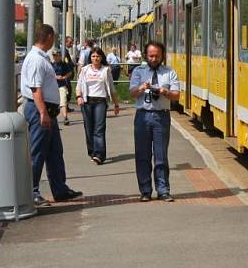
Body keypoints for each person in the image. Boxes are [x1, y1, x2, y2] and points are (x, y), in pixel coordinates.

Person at [21, 24, 83, 207]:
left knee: (55, 151)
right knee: (37, 152)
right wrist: (42, 113)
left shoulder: (41, 58)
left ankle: (60, 189)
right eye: (53, 37)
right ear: (48, 37)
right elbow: (35, 88)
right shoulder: (36, 59)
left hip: (48, 111)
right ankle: (31, 192)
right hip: (41, 110)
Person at [129, 41, 180, 202]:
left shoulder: (170, 72)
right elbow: (132, 93)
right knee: (142, 155)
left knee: (161, 156)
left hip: (161, 116)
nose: (154, 58)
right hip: (142, 116)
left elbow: (177, 95)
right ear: (146, 55)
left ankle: (163, 190)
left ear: (162, 56)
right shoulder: (138, 71)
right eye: (151, 55)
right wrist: (142, 88)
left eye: (157, 55)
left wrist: (165, 91)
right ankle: (145, 191)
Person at [76, 47, 120, 165]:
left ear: (102, 58)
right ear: (90, 57)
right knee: (88, 128)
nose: (95, 58)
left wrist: (116, 104)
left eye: (98, 56)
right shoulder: (85, 70)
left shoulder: (106, 70)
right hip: (87, 101)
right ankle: (92, 151)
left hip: (100, 101)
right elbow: (79, 85)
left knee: (99, 129)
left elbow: (112, 88)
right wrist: (78, 97)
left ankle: (100, 154)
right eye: (93, 56)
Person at [51, 49, 73, 126]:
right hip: (53, 86)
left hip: (61, 85)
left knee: (63, 101)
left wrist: (64, 77)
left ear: (60, 56)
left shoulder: (64, 64)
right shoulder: (51, 65)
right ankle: (52, 118)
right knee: (52, 103)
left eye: (57, 55)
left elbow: (70, 73)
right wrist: (56, 77)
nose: (55, 57)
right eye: (54, 56)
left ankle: (65, 117)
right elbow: (48, 74)